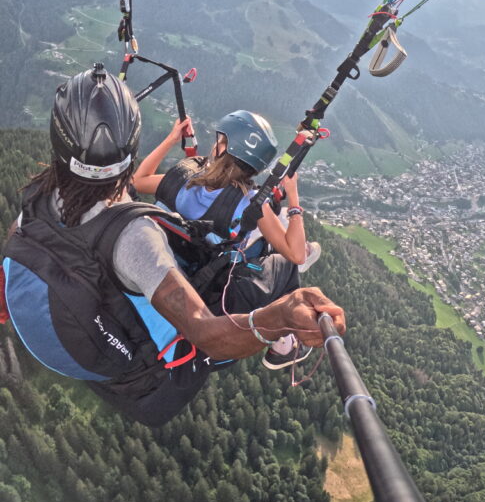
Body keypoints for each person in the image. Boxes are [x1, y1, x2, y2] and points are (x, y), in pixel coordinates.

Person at [2, 64, 345, 426]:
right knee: (287, 263)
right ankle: (283, 346)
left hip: (86, 328)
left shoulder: (40, 197)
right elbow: (206, 333)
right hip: (162, 361)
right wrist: (281, 316)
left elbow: (138, 182)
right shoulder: (135, 236)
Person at [133, 110, 322, 368]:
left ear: (226, 148)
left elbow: (139, 180)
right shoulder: (249, 203)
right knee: (288, 262)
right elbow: (294, 254)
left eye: (220, 140)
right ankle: (286, 341)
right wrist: (294, 196)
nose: (216, 144)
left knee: (270, 228)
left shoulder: (185, 180)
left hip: (176, 253)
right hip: (214, 275)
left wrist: (171, 139)